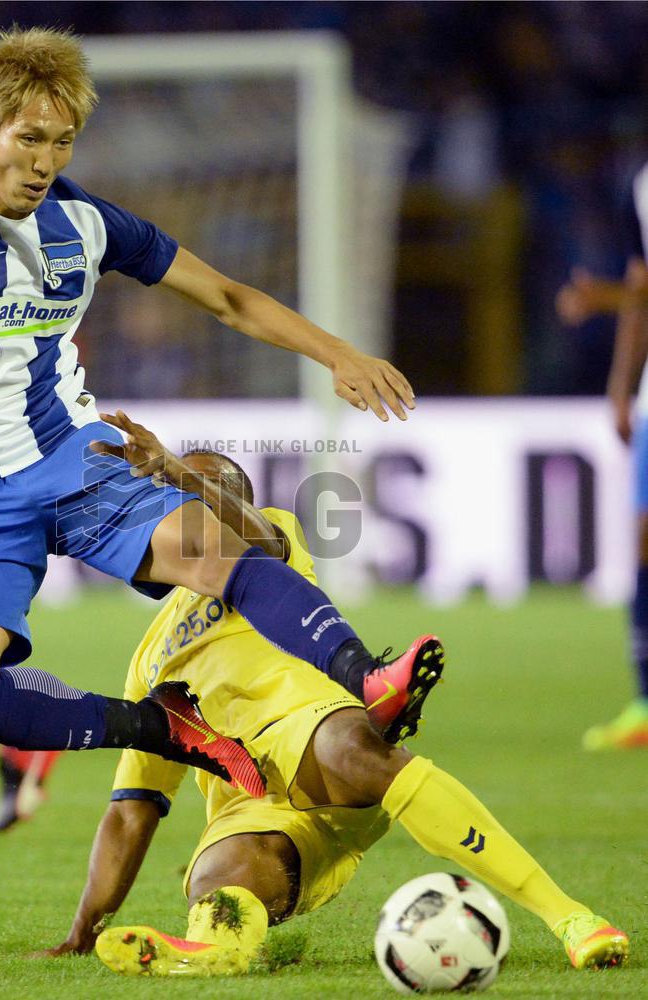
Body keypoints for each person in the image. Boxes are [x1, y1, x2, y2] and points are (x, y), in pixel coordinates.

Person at [0, 27, 422, 777]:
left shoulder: (88, 223)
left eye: (63, 142)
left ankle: (370, 677)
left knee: (213, 550)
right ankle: (159, 725)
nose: (46, 162)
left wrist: (339, 354)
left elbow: (228, 297)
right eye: (30, 139)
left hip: (71, 454)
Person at [44, 439, 629, 977]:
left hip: (313, 737)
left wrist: (182, 476)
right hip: (249, 805)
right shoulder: (150, 657)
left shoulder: (272, 543)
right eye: (174, 497)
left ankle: (571, 918)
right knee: (218, 876)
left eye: (206, 493)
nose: (186, 507)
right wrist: (81, 933)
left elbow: (257, 540)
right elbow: (132, 809)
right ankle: (217, 950)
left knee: (348, 745)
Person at [556, 170, 648, 750]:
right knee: (644, 537)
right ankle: (645, 704)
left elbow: (635, 289)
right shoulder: (641, 185)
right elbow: (642, 283)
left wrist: (605, 297)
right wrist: (622, 386)